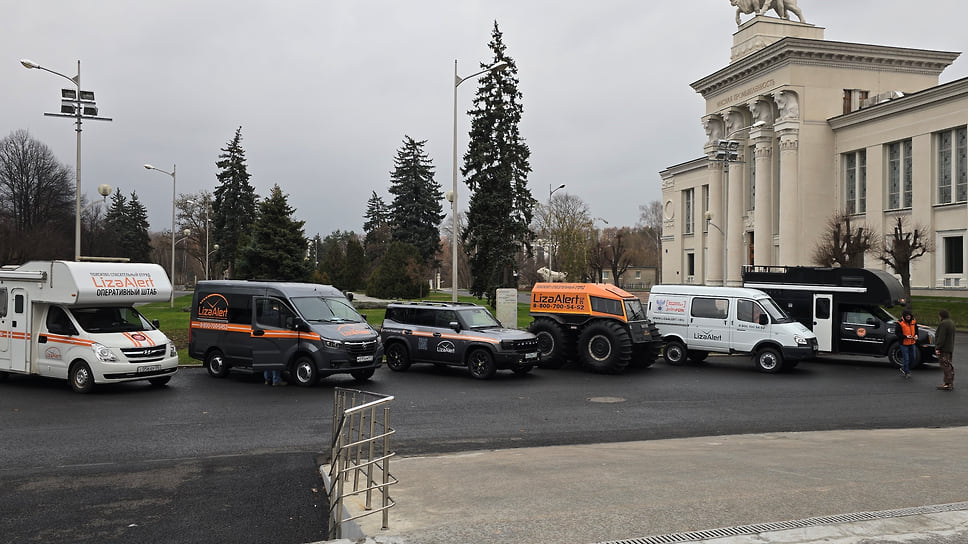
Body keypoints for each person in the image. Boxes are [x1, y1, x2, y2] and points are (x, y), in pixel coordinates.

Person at [935, 309, 956, 391]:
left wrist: (938, 347)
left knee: (945, 366)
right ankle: (949, 382)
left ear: (941, 316)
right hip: (949, 347)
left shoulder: (943, 324)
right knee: (949, 365)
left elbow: (941, 337)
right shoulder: (951, 322)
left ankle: (948, 383)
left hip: (944, 348)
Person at [897, 309, 918, 379]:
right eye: (907, 316)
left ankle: (904, 368)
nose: (908, 317)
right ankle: (907, 372)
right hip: (904, 343)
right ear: (904, 316)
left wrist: (916, 335)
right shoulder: (900, 323)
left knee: (913, 358)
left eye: (909, 316)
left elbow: (916, 330)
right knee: (906, 358)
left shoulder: (913, 321)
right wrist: (905, 336)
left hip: (912, 342)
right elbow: (897, 334)